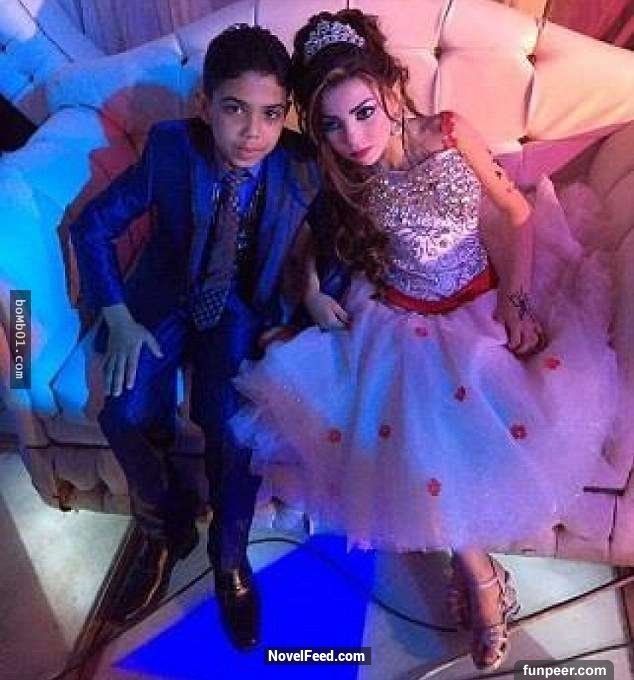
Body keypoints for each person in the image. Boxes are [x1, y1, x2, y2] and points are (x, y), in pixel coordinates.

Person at [229, 9, 617, 670]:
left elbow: (517, 213)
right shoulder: (342, 170)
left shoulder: (449, 132)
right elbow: (307, 235)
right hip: (400, 313)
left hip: (481, 297)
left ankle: (477, 571)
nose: (353, 137)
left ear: (389, 86)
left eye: (363, 112)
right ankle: (480, 574)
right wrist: (313, 291)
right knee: (416, 442)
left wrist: (517, 302)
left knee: (501, 415)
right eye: (331, 124)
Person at [70, 23, 320, 650]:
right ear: (205, 105)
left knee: (234, 429)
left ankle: (228, 556)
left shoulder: (300, 164)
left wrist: (303, 312)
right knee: (123, 412)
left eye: (270, 114)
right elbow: (92, 228)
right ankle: (166, 525)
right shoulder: (171, 148)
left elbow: (335, 244)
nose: (252, 132)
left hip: (241, 309)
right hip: (165, 298)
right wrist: (117, 314)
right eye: (235, 109)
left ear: (286, 114)